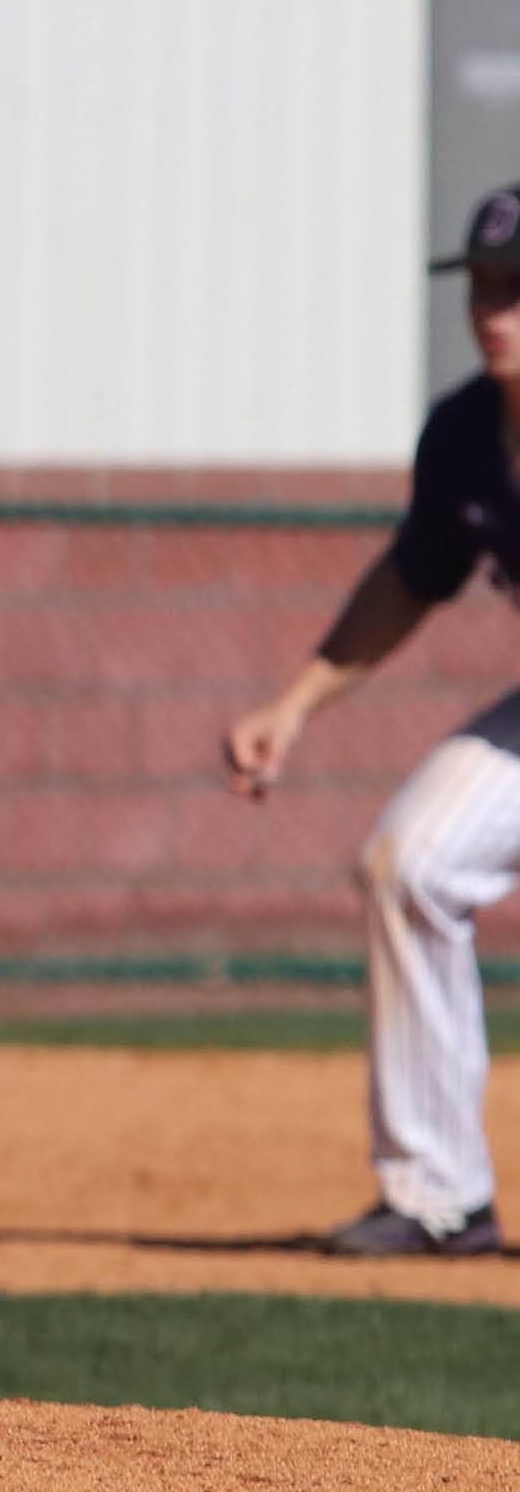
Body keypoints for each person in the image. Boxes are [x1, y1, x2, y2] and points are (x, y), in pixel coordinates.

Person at [226, 182, 520, 1257]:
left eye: (517, 286)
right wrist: (290, 703)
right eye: (482, 285)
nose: (494, 306)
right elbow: (411, 577)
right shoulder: (462, 433)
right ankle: (437, 1194)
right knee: (408, 860)